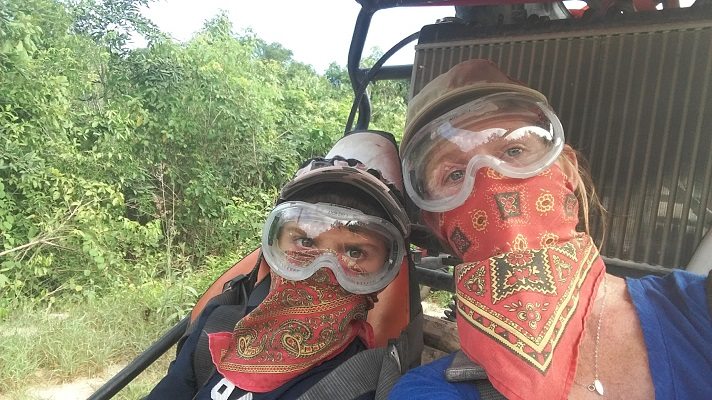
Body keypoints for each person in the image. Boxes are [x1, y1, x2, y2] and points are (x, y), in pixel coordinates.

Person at [389, 59, 712, 400]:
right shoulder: (427, 390)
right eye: (454, 174)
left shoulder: (697, 307)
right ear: (437, 222)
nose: (491, 181)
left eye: (514, 150)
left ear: (567, 169)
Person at [146, 130, 411, 400]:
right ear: (274, 247)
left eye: (355, 252)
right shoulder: (217, 325)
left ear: (386, 272)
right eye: (306, 242)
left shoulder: (361, 383)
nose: (324, 269)